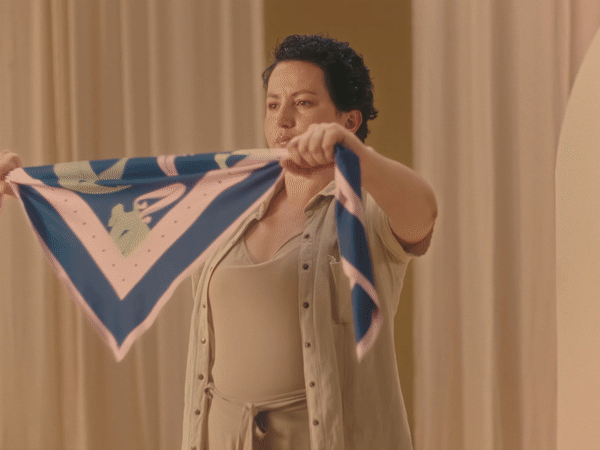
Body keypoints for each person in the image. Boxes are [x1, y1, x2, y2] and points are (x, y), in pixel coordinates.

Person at [0, 35, 437, 450]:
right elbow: (121, 218)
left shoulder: (365, 211)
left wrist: (358, 157)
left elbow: (423, 212)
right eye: (273, 104)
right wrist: (30, 187)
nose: (283, 120)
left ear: (349, 120)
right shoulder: (227, 205)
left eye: (303, 103)